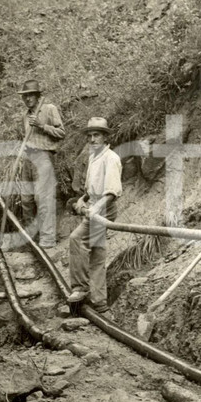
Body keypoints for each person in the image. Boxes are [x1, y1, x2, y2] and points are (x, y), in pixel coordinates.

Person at [67, 117, 122, 314]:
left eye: (96, 135)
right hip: (93, 205)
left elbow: (111, 192)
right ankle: (100, 304)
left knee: (76, 239)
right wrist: (83, 199)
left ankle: (80, 287)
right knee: (97, 255)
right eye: (89, 136)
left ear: (105, 137)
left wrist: (95, 210)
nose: (92, 139)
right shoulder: (93, 156)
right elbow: (92, 189)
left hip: (104, 209)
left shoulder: (111, 158)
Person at [15, 79, 65, 248]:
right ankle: (32, 238)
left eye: (31, 95)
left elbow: (61, 132)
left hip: (44, 157)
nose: (27, 99)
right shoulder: (25, 115)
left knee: (43, 198)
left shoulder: (49, 109)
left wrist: (42, 125)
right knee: (26, 200)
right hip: (28, 159)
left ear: (37, 96)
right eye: (25, 96)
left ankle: (48, 239)